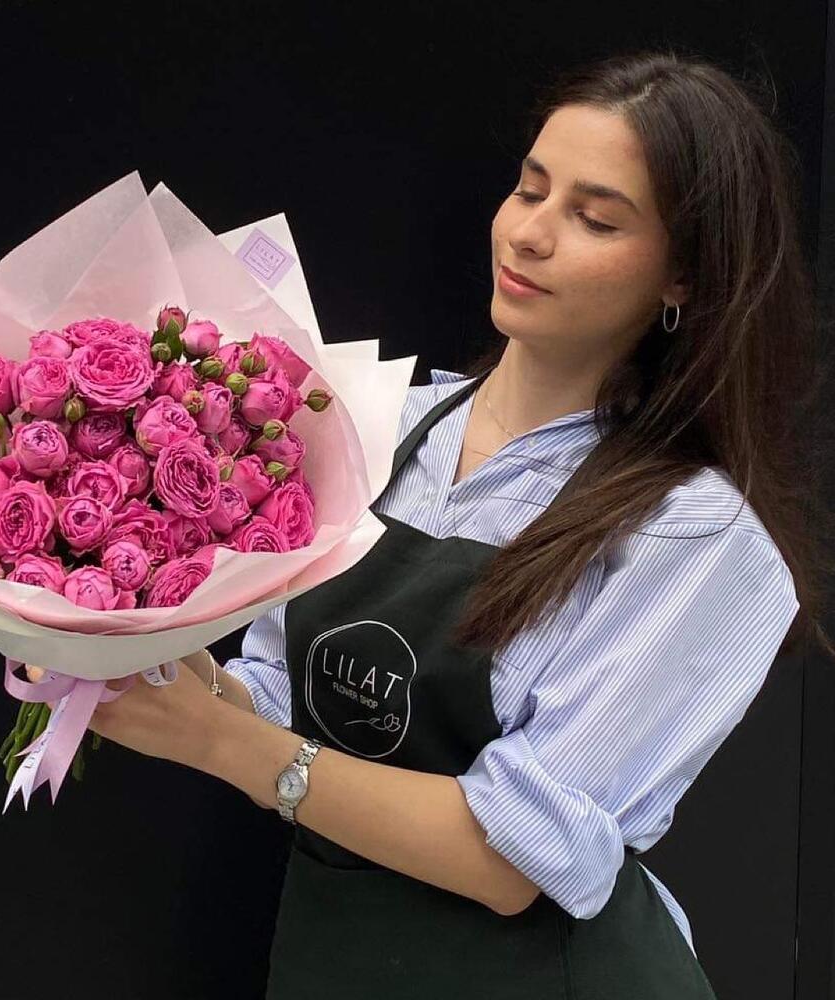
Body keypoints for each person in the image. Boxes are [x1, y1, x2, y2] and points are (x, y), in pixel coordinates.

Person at [82, 48, 831, 999]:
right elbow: (280, 695)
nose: (530, 234)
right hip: (339, 960)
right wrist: (127, 648)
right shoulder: (368, 430)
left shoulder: (695, 535)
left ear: (682, 275)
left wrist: (218, 741)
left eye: (595, 218)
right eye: (529, 190)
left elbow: (514, 858)